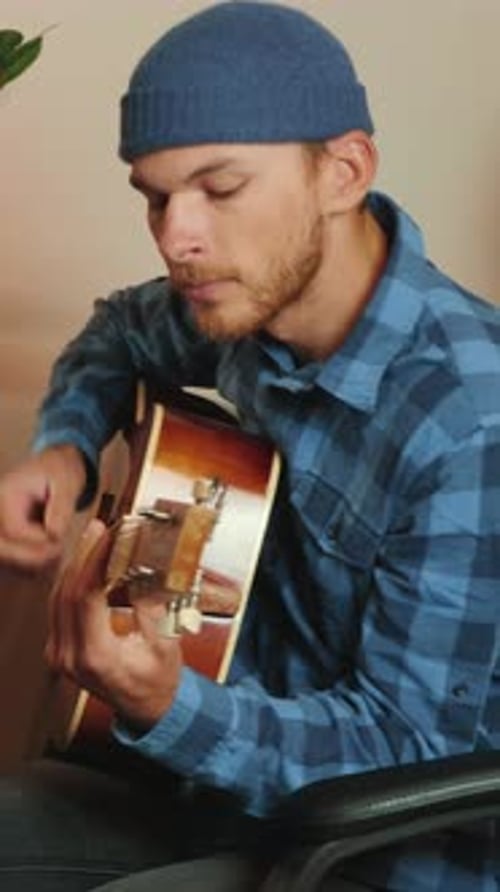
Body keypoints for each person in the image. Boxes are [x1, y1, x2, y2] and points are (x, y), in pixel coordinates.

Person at [0, 2, 498, 890]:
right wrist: (65, 452)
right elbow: (116, 333)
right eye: (154, 197)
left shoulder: (472, 424)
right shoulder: (240, 307)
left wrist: (165, 704)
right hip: (206, 786)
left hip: (372, 858)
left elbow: (407, 754)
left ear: (344, 171)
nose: (177, 238)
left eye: (220, 189)